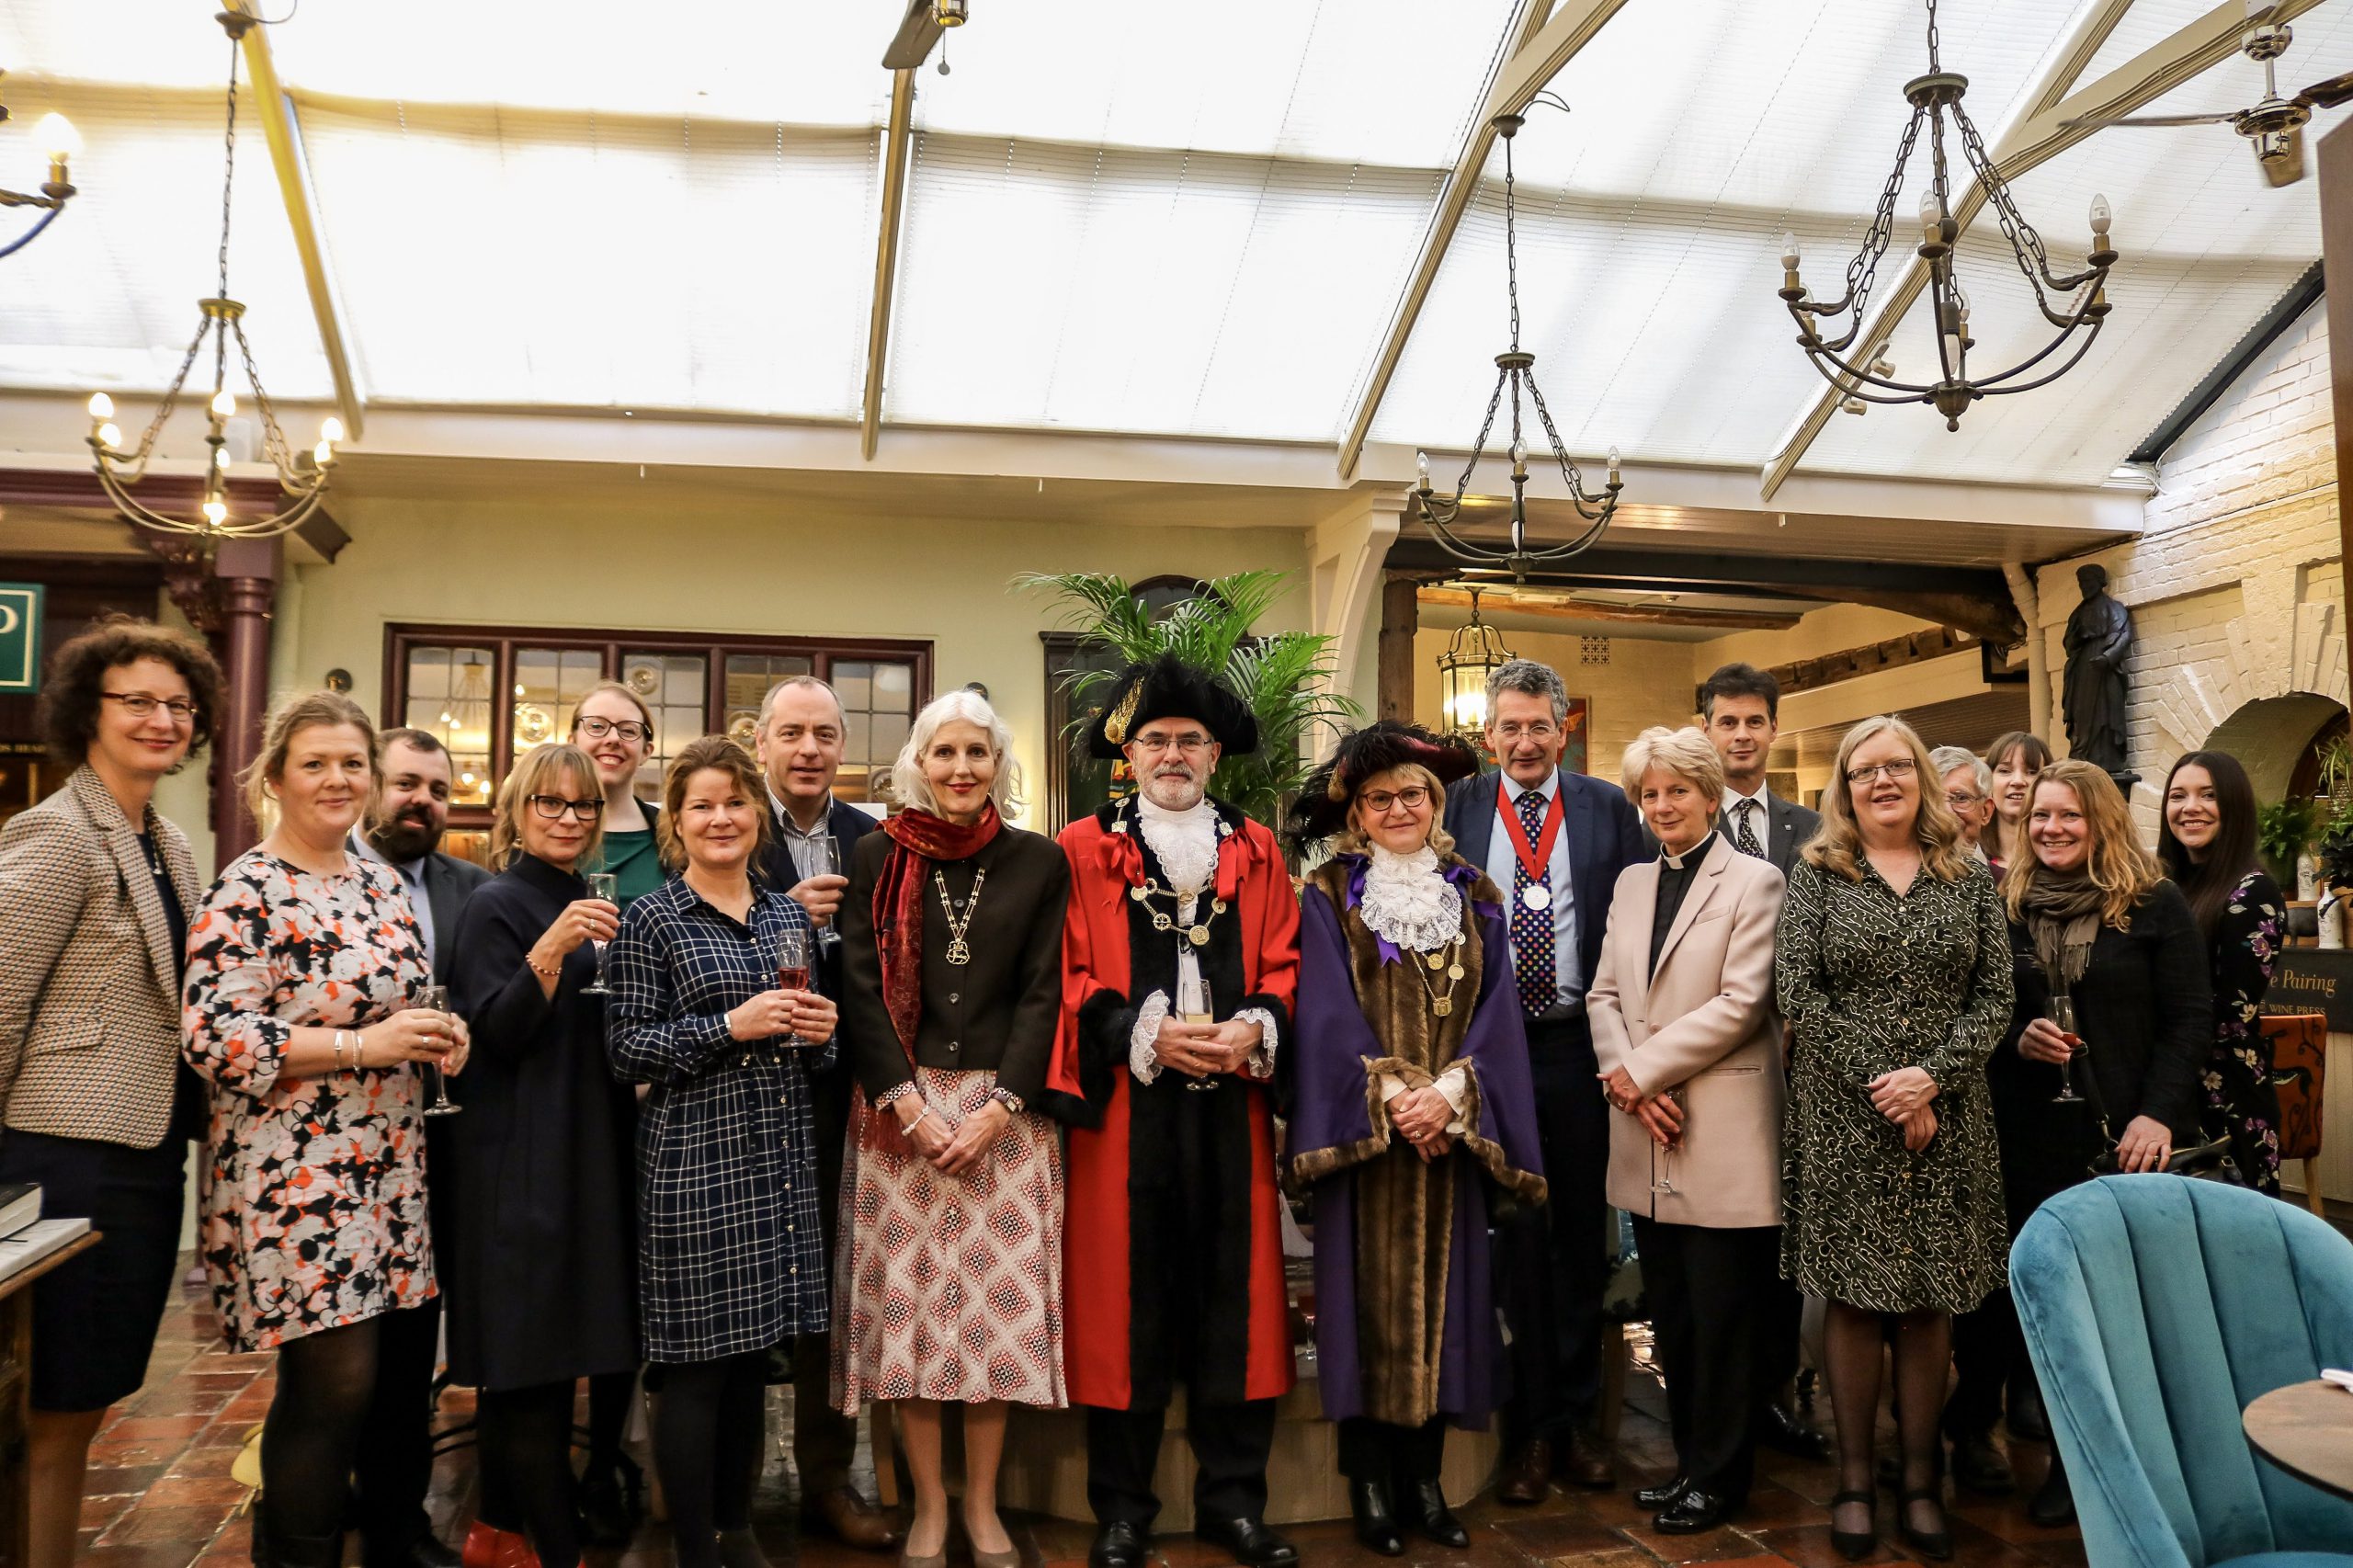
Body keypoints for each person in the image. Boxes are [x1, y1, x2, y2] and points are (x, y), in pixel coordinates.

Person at [183, 691, 472, 1568]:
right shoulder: (248, 887)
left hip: (387, 1161)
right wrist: (360, 1044)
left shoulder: (378, 879)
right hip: (295, 1169)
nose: (338, 779)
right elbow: (212, 1036)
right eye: (316, 763)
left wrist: (437, 1038)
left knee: (380, 1381)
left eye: (353, 763)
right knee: (331, 1384)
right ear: (275, 779)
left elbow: (401, 1007)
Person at [1048, 656, 1302, 1568]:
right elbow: (1065, 972)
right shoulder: (1080, 848)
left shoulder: (1258, 847)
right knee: (1130, 1302)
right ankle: (1123, 1509)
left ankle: (1235, 1503)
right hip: (1128, 1112)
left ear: (1216, 753)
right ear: (1127, 753)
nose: (1172, 753)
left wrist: (1256, 1025)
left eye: (1189, 739)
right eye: (1155, 739)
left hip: (1230, 1104)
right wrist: (1137, 1031)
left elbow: (1284, 961)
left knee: (1233, 1303)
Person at [1290, 722, 1546, 1556]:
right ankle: (1369, 1486)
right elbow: (1324, 1013)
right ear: (1356, 815)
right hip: (1372, 1142)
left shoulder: (1475, 895)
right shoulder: (1328, 893)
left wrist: (1453, 1094)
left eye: (1412, 794)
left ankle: (1427, 1485)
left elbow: (1501, 1014)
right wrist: (1396, 1094)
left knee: (1452, 1313)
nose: (1397, 808)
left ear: (1434, 803)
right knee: (1363, 1314)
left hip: (1450, 1136)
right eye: (1378, 798)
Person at [0, 618, 220, 1568]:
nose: (161, 718)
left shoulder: (168, 837)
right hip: (60, 1154)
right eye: (138, 699)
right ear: (86, 708)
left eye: (178, 703)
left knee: (86, 1397)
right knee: (45, 1405)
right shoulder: (56, 829)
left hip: (141, 1151)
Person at [835, 690, 1071, 1568]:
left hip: (1007, 1124)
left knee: (992, 1334)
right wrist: (906, 1101)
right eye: (946, 754)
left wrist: (1000, 1105)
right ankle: (928, 1506)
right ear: (919, 765)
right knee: (916, 1328)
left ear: (999, 765)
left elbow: (1045, 991)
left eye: (978, 753)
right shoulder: (875, 855)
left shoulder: (1038, 862)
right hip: (900, 1117)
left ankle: (982, 1506)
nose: (962, 769)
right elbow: (858, 988)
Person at [1776, 714, 2011, 1562]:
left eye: (1897, 767)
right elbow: (1799, 992)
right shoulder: (1818, 874)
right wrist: (1891, 1086)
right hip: (1846, 1114)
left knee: (1927, 1300)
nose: (1882, 781)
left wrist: (1931, 1080)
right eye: (1864, 770)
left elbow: (1995, 997)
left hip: (1950, 1117)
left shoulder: (1969, 876)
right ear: (1843, 787)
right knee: (1852, 1298)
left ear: (1920, 777)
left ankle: (1919, 1479)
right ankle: (1852, 1479)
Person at [605, 735, 836, 1568]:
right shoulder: (651, 919)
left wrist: (823, 1033)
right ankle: (694, 1545)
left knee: (751, 1362)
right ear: (677, 820)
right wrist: (727, 1027)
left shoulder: (784, 917)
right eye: (701, 805)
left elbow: (815, 1053)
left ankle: (737, 1530)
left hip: (776, 1164)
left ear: (756, 815)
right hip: (693, 1167)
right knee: (697, 1368)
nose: (720, 818)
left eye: (734, 802)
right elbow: (625, 1050)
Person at [1439, 658, 1643, 1499]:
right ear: (1488, 736)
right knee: (1512, 1240)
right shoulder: (1456, 809)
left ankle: (1577, 1425)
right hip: (1489, 1052)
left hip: (1576, 1050)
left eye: (1539, 727)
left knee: (1576, 1243)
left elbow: (1634, 931)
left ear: (1565, 730)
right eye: (1509, 727)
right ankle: (1527, 1433)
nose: (1524, 742)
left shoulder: (1607, 810)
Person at [1990, 759, 2211, 1527]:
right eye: (2041, 815)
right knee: (2053, 1310)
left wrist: (2157, 1114)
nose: (2052, 828)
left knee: (2130, 1310)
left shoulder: (2152, 904)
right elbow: (1982, 1013)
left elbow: (2190, 1018)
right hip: (2033, 1143)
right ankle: (2069, 1462)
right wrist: (2021, 1039)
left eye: (2070, 816)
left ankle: (2147, 1465)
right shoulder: (2006, 905)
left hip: (2131, 1141)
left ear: (2103, 822)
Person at [1588, 727, 1788, 1534]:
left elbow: (1742, 1004)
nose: (1663, 805)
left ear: (1710, 794)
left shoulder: (1758, 880)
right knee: (1669, 1313)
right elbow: (1603, 994)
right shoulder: (1633, 882)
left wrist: (1645, 1074)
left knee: (1724, 1319)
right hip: (1646, 1125)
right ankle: (1688, 1466)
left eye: (1677, 790)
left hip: (1721, 1128)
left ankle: (1723, 1478)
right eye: (1650, 793)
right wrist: (1628, 1083)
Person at [445, 744, 635, 1568]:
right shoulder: (497, 903)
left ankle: (500, 1532)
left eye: (584, 806)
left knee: (558, 1364)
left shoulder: (586, 895)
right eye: (551, 804)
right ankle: (556, 1551)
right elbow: (498, 1033)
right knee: (523, 1371)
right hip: (518, 1158)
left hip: (584, 1151)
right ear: (517, 809)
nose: (568, 819)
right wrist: (552, 948)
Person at [749, 676, 897, 1552]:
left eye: (825, 735)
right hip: (750, 1094)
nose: (809, 750)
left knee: (835, 1295)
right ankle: (726, 1489)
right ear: (762, 742)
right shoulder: (731, 822)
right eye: (792, 734)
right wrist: (780, 918)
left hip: (847, 1095)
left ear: (843, 747)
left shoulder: (868, 837)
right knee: (740, 1286)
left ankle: (828, 1481)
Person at [352, 726, 493, 1561]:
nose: (422, 802)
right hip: (333, 1149)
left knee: (408, 1345)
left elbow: (484, 998)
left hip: (435, 1142)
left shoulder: (471, 889)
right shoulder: (325, 876)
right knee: (330, 1354)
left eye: (438, 790)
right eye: (407, 784)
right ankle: (305, 1502)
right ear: (373, 785)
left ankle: (396, 1523)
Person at [1693, 662, 1824, 1463]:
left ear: (1773, 729)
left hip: (1792, 1064)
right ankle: (1712, 1403)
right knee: (1711, 1243)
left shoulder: (1813, 832)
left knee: (1781, 1233)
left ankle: (1773, 1393)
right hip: (1700, 1060)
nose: (1741, 735)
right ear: (1705, 728)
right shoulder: (1669, 822)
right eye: (1726, 721)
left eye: (1754, 721)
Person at [2157, 750, 2286, 1193]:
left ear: (2233, 805)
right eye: (2178, 796)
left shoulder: (2253, 891)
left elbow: (2230, 1011)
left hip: (2226, 1094)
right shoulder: (2163, 886)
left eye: (2207, 795)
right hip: (2167, 1086)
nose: (2190, 807)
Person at [575, 681, 665, 908]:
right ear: (572, 741)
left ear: (647, 751)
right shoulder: (541, 831)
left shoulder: (674, 835)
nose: (613, 739)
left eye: (628, 730)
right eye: (596, 726)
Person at [1981, 732, 2052, 877]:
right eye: (2005, 771)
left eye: (2032, 772)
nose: (2018, 781)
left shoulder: (2061, 862)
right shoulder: (1968, 863)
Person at [1929, 746, 1994, 858]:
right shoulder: (1895, 875)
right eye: (1934, 799)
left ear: (1986, 811)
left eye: (1961, 798)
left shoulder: (2006, 876)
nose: (1947, 812)